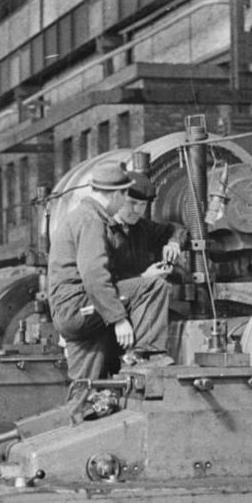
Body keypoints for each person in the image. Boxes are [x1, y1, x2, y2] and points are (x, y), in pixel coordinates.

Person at [47, 162, 184, 380]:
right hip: (80, 306)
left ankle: (83, 409)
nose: (133, 208)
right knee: (153, 286)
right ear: (116, 195)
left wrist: (174, 242)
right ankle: (146, 355)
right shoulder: (91, 220)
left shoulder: (83, 215)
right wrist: (119, 320)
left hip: (77, 309)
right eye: (127, 199)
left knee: (87, 387)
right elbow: (95, 277)